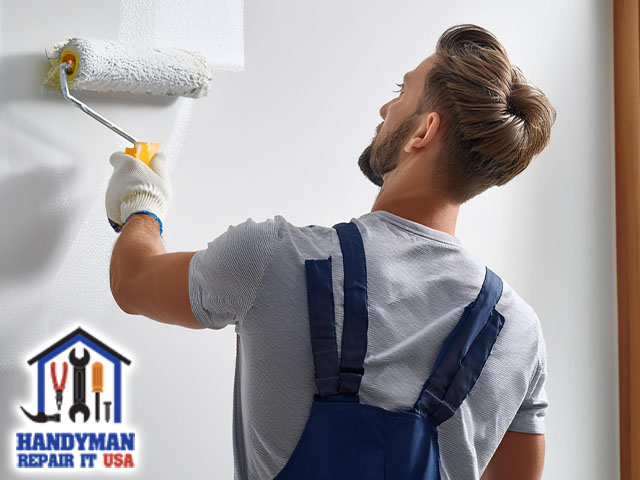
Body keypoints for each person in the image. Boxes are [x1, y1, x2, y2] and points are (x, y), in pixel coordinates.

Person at [106, 23, 556, 480]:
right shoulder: (518, 332)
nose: (385, 107)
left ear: (424, 131)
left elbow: (132, 282)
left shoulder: (276, 257)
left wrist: (142, 208)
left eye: (402, 92)